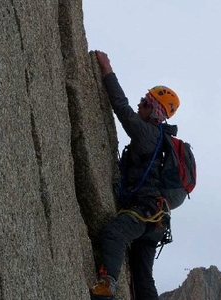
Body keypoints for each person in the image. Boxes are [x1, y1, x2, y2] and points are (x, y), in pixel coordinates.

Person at [89, 50, 181, 300]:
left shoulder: (146, 133)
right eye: (142, 100)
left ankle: (106, 285)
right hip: (156, 219)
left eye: (145, 102)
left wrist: (107, 70)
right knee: (143, 279)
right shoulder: (160, 138)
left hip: (144, 210)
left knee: (114, 233)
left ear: (154, 112)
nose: (140, 104)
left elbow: (121, 107)